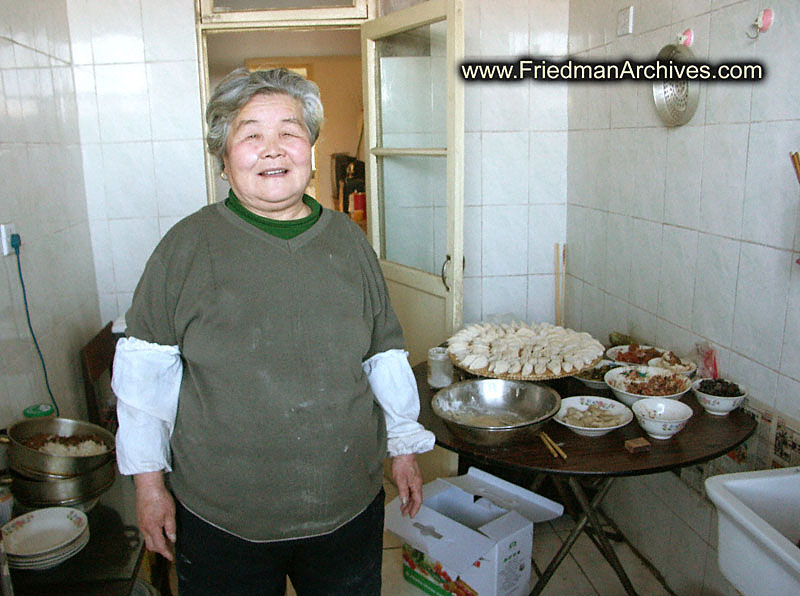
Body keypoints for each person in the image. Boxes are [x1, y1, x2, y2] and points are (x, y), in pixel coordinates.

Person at [110, 67, 435, 596]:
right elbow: (145, 381)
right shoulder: (186, 247)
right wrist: (149, 486)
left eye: (290, 131)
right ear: (223, 158)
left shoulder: (349, 243)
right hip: (222, 518)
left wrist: (403, 449)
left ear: (309, 149)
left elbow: (384, 355)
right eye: (251, 133)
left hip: (345, 506)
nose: (273, 148)